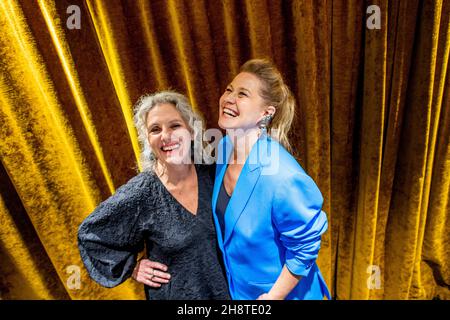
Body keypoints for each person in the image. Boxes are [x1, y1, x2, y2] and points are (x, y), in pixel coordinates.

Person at [145, 59, 331, 300]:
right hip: (239, 293)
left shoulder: (283, 176)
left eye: (242, 94)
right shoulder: (223, 149)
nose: (229, 98)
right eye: (229, 89)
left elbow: (305, 249)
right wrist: (141, 262)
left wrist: (272, 298)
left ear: (266, 113)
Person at [77, 91, 230, 300]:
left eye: (175, 125)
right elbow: (90, 235)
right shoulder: (142, 193)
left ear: (191, 131)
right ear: (148, 140)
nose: (166, 136)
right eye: (155, 129)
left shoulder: (213, 174)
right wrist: (132, 267)